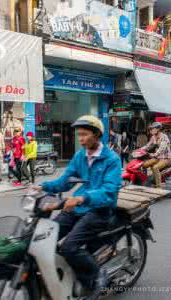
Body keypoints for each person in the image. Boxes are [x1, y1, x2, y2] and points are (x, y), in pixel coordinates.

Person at [37, 115, 121, 298]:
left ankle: (96, 275)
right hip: (77, 207)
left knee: (69, 247)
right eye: (79, 135)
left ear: (97, 135)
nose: (81, 139)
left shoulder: (112, 160)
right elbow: (65, 182)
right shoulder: (80, 156)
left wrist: (82, 198)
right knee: (46, 238)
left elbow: (109, 192)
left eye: (84, 135)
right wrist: (43, 186)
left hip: (100, 211)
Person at [141, 122, 171, 188]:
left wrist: (154, 154)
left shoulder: (164, 137)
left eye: (152, 129)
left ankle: (158, 187)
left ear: (158, 129)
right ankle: (146, 182)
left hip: (165, 158)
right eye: (151, 129)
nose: (151, 130)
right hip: (157, 157)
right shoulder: (153, 137)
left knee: (155, 167)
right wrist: (139, 150)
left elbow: (161, 149)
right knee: (143, 164)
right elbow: (147, 146)